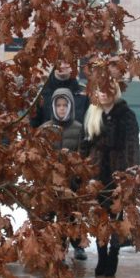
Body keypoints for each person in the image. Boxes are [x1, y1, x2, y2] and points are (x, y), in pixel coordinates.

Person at [81, 82, 140, 277]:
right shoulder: (92, 114)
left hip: (118, 175)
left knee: (116, 218)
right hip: (98, 175)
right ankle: (101, 255)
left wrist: (129, 174)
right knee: (99, 218)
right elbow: (85, 146)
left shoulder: (126, 115)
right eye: (100, 89)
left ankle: (113, 254)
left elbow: (133, 147)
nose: (104, 94)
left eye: (108, 90)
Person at [39, 88, 87, 261]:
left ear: (70, 107)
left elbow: (82, 154)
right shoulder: (45, 128)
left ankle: (76, 244)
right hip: (50, 181)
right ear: (53, 107)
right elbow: (39, 156)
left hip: (71, 181)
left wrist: (76, 175)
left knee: (71, 215)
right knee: (48, 215)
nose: (61, 108)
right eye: (58, 105)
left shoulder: (79, 128)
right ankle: (48, 247)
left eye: (65, 105)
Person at [30, 61, 89, 128]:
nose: (62, 65)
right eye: (59, 62)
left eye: (66, 62)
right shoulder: (41, 93)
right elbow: (33, 126)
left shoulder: (83, 94)